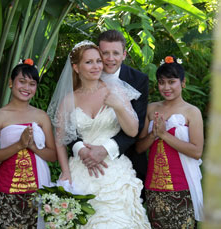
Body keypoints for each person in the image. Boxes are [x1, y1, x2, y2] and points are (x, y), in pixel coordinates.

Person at [47, 41, 150, 228]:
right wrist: (66, 172)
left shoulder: (116, 90)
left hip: (114, 174)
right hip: (81, 172)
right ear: (76, 67)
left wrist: (118, 105)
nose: (96, 66)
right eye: (89, 62)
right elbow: (61, 140)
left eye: (98, 61)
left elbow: (133, 131)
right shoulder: (69, 99)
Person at [70, 30, 149, 198]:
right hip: (85, 162)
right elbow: (67, 124)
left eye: (116, 53)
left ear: (124, 54)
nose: (110, 58)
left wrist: (106, 149)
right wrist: (82, 150)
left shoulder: (138, 80)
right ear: (98, 51)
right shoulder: (82, 76)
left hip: (123, 160)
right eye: (105, 53)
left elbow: (138, 125)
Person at [0, 59, 57, 229]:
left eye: (32, 84)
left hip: (39, 188)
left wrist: (32, 146)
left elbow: (52, 155)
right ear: (11, 82)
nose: (27, 88)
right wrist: (19, 145)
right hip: (9, 188)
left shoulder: (41, 116)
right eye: (22, 81)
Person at [135, 56, 204, 228]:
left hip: (182, 187)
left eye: (171, 82)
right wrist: (153, 135)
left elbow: (196, 152)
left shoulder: (192, 112)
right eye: (161, 82)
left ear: (183, 82)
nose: (166, 87)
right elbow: (139, 148)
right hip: (154, 187)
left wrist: (164, 134)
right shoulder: (152, 109)